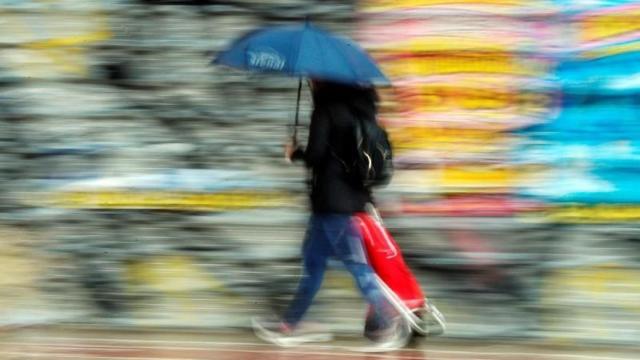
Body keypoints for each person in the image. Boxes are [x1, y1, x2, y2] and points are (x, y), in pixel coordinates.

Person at [252, 80, 410, 351]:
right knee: (313, 268)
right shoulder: (360, 110)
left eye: (315, 78)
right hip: (346, 201)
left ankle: (389, 324)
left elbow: (315, 155)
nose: (311, 82)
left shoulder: (326, 110)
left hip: (333, 204)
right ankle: (290, 325)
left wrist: (295, 152)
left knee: (358, 268)